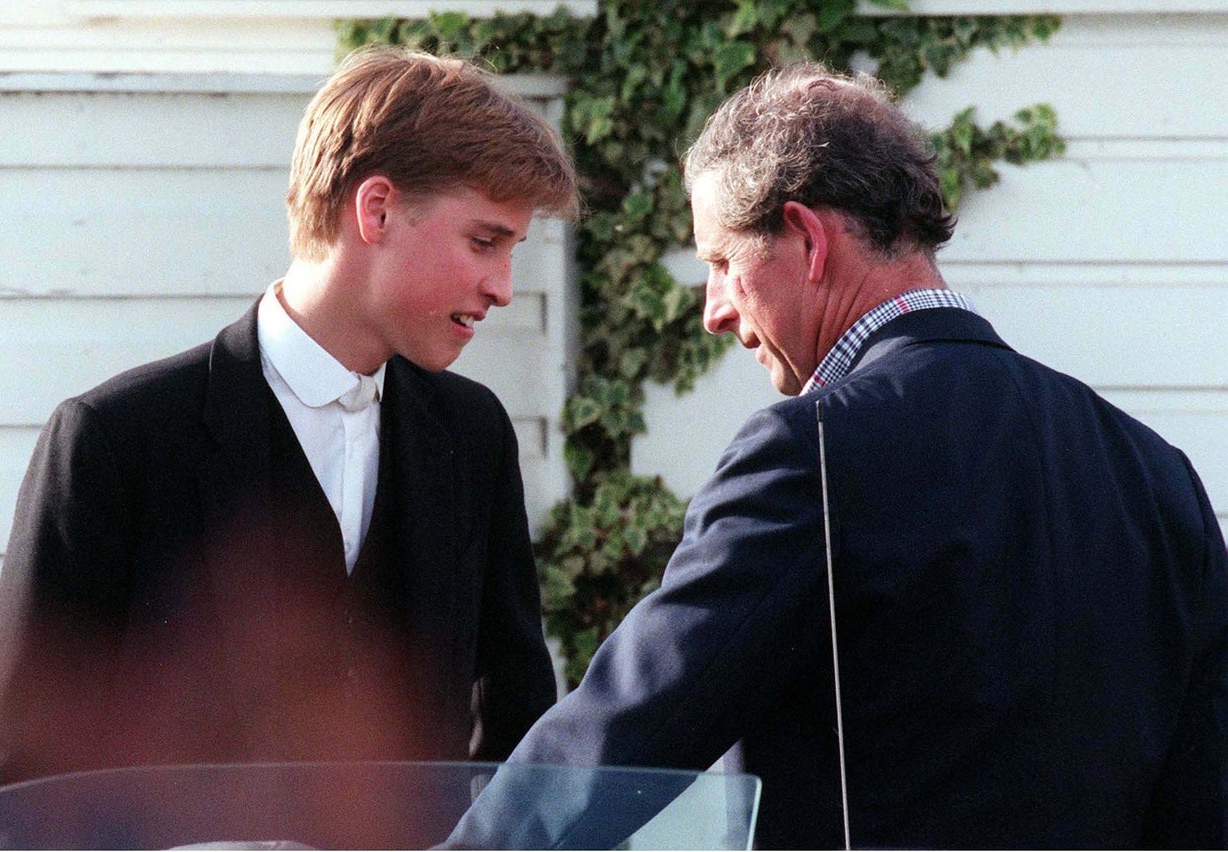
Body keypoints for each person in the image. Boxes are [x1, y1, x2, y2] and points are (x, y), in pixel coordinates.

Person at [455, 62, 1228, 849]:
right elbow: (1202, 807)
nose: (716, 312)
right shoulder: (1158, 474)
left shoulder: (813, 454)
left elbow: (627, 733)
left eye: (720, 263)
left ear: (808, 239)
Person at [0, 44, 579, 815]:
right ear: (378, 210)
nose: (501, 287)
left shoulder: (473, 433)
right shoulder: (111, 441)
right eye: (485, 241)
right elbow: (22, 793)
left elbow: (515, 733)